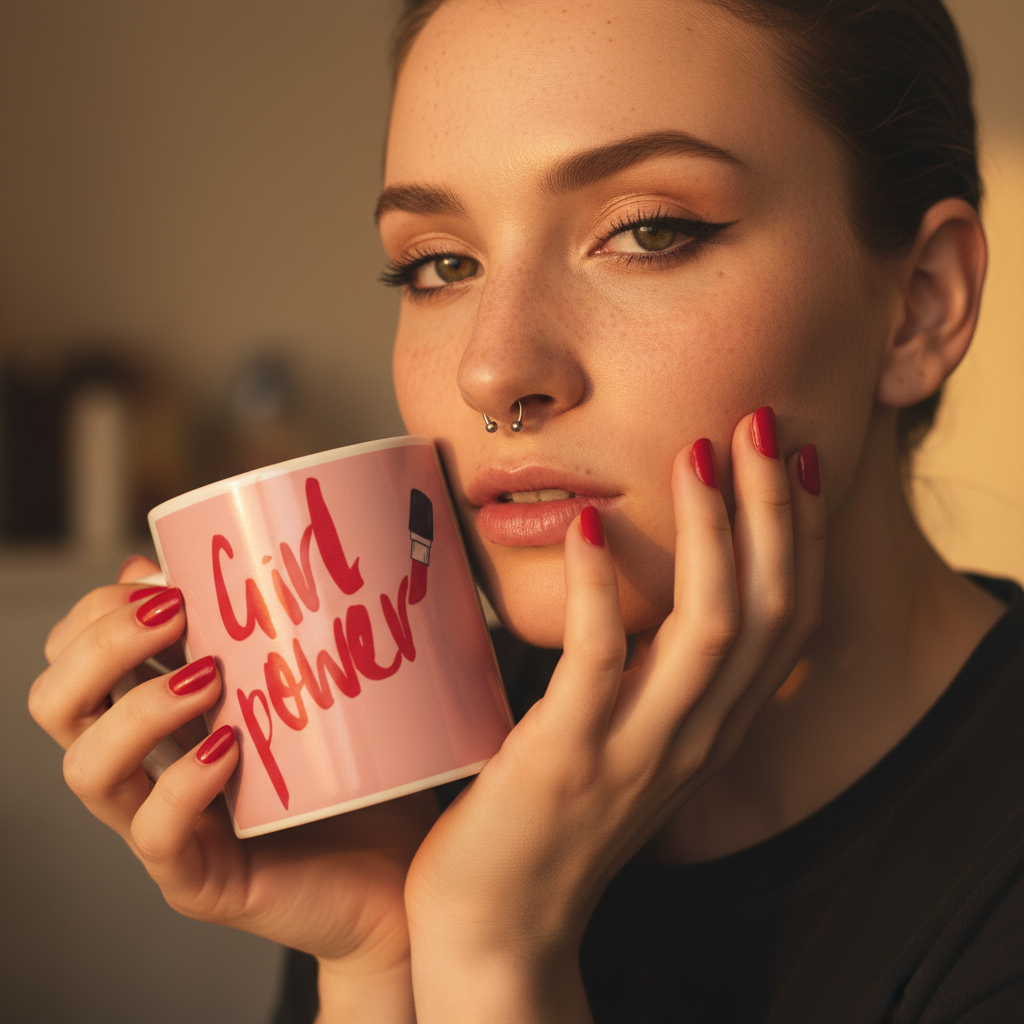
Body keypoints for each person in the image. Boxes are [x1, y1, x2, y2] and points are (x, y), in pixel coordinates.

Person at [29, 0, 1024, 1020]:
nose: (493, 369)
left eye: (645, 231)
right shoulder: (419, 769)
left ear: (921, 302)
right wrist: (378, 958)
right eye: (440, 264)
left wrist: (493, 951)